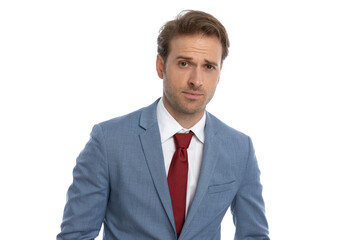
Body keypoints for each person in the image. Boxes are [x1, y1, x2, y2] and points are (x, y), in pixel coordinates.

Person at [57, 10, 270, 240]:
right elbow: (75, 236)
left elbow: (254, 236)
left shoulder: (240, 148)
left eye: (208, 66)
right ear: (161, 66)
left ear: (219, 73)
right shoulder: (108, 141)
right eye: (184, 63)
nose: (196, 81)